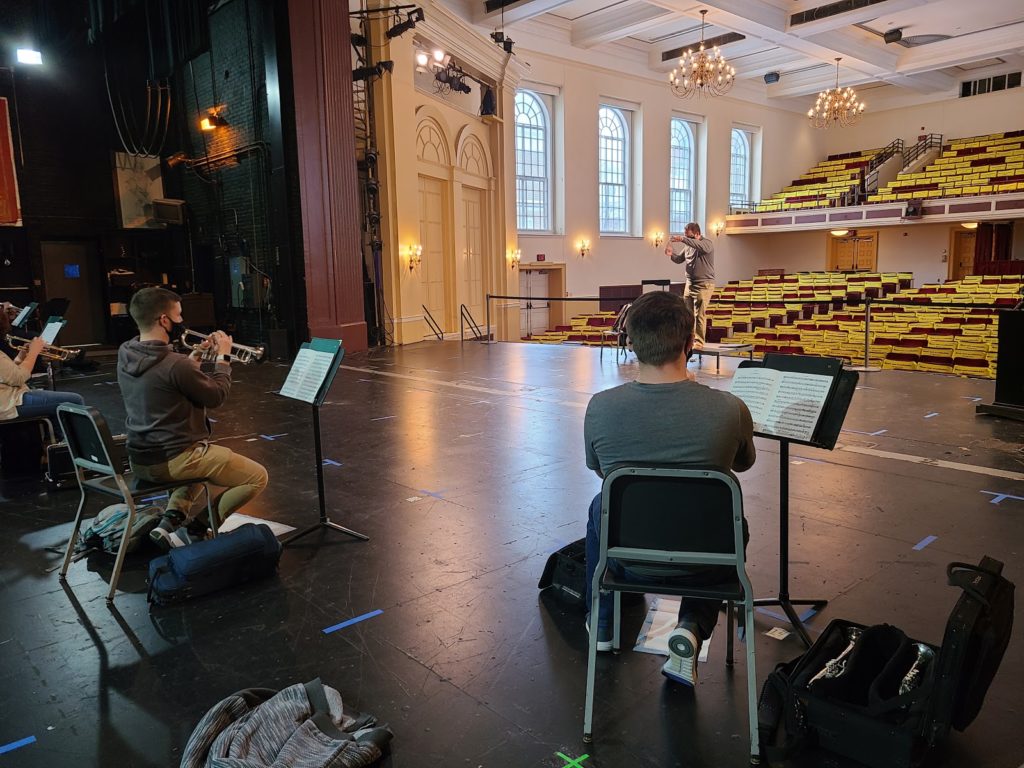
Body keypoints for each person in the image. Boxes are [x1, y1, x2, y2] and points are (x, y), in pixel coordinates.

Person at [583, 291, 756, 687]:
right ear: (690, 343)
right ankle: (692, 627)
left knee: (601, 504)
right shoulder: (730, 408)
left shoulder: (600, 407)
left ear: (629, 341)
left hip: (629, 559)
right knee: (728, 521)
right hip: (703, 565)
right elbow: (743, 464)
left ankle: (604, 620)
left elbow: (599, 471)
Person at [118, 287, 268, 549]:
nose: (181, 322)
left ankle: (169, 522)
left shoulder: (126, 352)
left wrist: (193, 359)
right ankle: (199, 527)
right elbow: (216, 396)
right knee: (257, 477)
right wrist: (222, 358)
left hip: (140, 458)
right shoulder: (175, 364)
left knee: (202, 457)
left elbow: (165, 382)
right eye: (178, 316)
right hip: (174, 459)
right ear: (164, 320)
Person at [0, 304, 84, 436]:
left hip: (8, 396)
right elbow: (18, 378)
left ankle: (60, 445)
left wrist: (22, 356)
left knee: (56, 402)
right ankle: (76, 449)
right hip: (6, 404)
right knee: (74, 400)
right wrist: (34, 352)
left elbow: (6, 374)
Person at [666, 222, 716, 349]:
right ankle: (688, 340)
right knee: (687, 314)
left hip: (704, 284)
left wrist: (683, 239)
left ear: (698, 234)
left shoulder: (707, 243)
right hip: (690, 283)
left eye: (690, 237)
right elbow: (679, 259)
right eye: (686, 237)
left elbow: (696, 244)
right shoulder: (688, 245)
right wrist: (671, 254)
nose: (688, 240)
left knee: (699, 314)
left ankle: (699, 342)